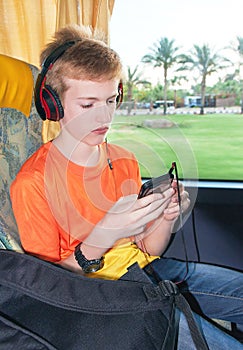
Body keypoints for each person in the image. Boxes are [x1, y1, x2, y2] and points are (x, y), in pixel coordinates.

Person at [10, 25, 243, 349]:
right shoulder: (33, 183)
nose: (104, 116)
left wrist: (164, 217)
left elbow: (147, 249)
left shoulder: (124, 160)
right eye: (88, 105)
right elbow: (49, 291)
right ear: (54, 105)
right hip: (96, 297)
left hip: (147, 271)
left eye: (110, 100)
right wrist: (102, 236)